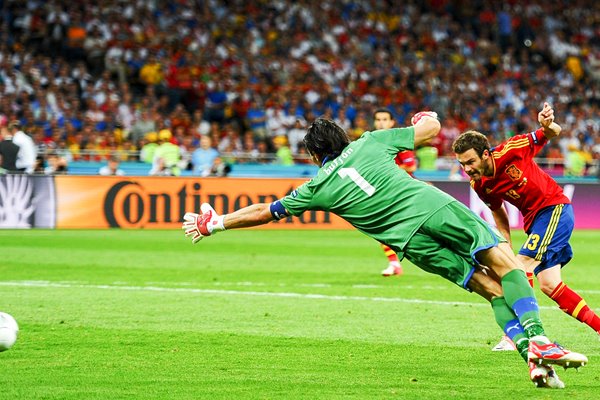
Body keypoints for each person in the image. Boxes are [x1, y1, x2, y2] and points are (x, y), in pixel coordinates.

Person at [182, 114, 588, 389]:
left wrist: (215, 223)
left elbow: (263, 212)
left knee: (490, 290)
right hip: (436, 210)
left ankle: (532, 360)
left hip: (412, 245)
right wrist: (420, 121)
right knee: (506, 264)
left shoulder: (315, 187)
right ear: (342, 139)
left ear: (314, 156)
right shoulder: (371, 143)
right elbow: (432, 129)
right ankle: (539, 339)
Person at [452, 102, 600, 352]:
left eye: (470, 162)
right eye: (462, 164)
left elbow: (553, 132)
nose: (467, 169)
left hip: (554, 209)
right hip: (535, 223)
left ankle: (520, 335)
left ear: (486, 154)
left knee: (517, 270)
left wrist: (547, 124)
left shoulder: (512, 149)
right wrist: (505, 246)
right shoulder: (479, 185)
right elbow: (498, 212)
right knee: (550, 285)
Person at [372, 108, 416, 277]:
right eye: (378, 119)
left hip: (405, 192)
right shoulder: (371, 142)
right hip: (386, 193)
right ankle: (394, 263)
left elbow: (410, 166)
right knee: (380, 227)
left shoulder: (398, 140)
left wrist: (383, 171)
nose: (381, 122)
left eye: (385, 119)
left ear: (391, 122)